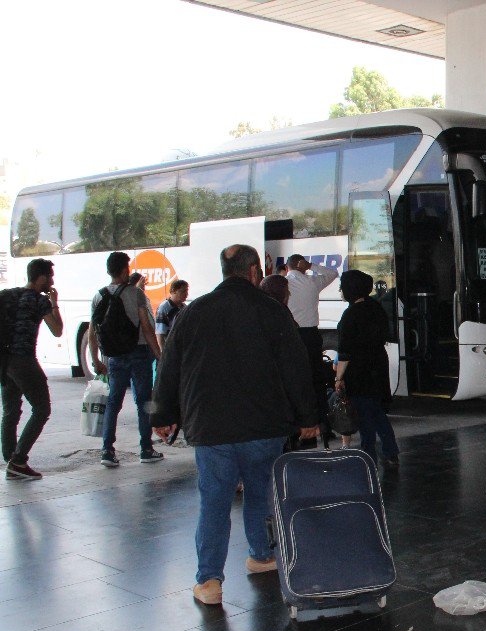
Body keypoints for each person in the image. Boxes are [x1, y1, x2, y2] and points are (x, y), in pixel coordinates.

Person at [151, 244, 317, 606]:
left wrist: (162, 415)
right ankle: (261, 556)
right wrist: (308, 418)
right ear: (255, 270)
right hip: (264, 424)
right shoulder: (271, 310)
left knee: (214, 500)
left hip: (212, 427)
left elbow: (169, 365)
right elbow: (296, 366)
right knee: (260, 493)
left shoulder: (194, 312)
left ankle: (209, 581)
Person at [89, 252, 163, 468]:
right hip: (139, 353)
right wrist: (159, 356)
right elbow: (148, 329)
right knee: (144, 403)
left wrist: (95, 358)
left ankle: (107, 450)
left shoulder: (98, 296)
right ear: (124, 271)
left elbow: (94, 331)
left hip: (114, 356)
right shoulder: (136, 294)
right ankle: (146, 449)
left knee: (114, 402)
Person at [1, 259, 63, 480]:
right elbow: (57, 330)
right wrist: (54, 302)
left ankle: (10, 458)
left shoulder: (7, 295)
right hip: (23, 360)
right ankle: (18, 462)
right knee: (42, 409)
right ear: (42, 277)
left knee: (10, 410)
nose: (52, 281)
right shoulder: (39, 301)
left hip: (4, 361)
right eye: (51, 277)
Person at [334, 270, 399, 467]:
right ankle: (390, 451)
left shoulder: (351, 314)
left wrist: (338, 378)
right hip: (378, 364)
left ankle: (368, 455)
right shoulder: (376, 308)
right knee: (377, 411)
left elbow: (345, 352)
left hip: (359, 369)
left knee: (363, 414)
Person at [285, 254, 339, 448]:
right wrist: (312, 265)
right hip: (312, 337)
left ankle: (297, 430)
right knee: (316, 381)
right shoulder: (312, 282)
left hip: (292, 335)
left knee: (296, 381)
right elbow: (333, 273)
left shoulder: (284, 284)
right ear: (302, 264)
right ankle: (324, 426)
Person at [154, 280, 189, 349]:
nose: (186, 294)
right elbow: (160, 334)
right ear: (174, 291)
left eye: (187, 291)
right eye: (183, 291)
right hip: (170, 347)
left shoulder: (184, 307)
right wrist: (164, 353)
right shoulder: (164, 308)